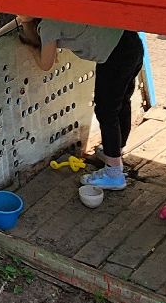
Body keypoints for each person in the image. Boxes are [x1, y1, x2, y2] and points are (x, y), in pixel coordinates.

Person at [18, 18, 145, 190]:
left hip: (115, 55)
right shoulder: (56, 13)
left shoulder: (48, 25)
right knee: (121, 103)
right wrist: (25, 22)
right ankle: (114, 151)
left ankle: (114, 174)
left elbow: (46, 64)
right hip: (130, 42)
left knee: (106, 111)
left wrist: (30, 48)